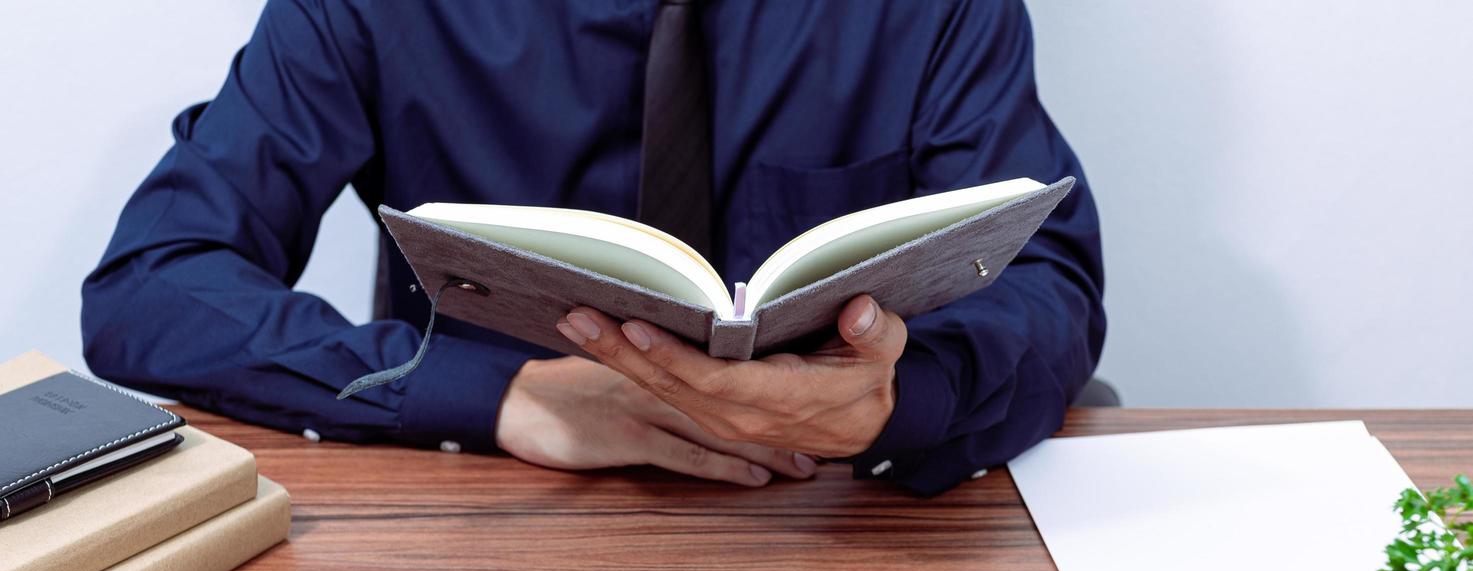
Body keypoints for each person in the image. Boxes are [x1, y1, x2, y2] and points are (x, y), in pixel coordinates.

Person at [82, 0, 1104, 497]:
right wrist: (500, 394)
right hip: (479, 542)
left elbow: (1051, 279)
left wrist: (900, 395)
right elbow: (154, 283)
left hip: (831, 531)